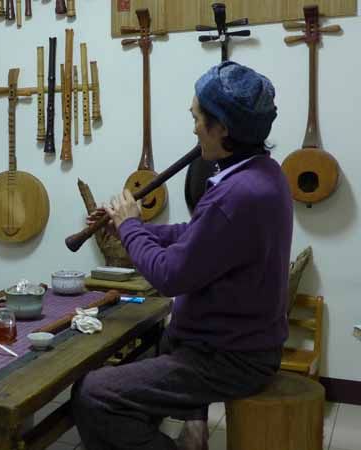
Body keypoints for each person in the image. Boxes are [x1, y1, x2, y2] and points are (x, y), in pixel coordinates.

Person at [71, 61, 293, 450]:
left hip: (230, 357)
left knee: (94, 395)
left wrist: (130, 226)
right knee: (151, 351)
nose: (193, 129)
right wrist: (129, 227)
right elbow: (197, 235)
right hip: (223, 341)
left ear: (222, 128)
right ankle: (193, 430)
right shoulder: (262, 173)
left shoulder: (237, 195)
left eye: (197, 118)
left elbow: (169, 275)